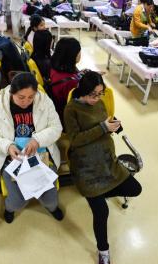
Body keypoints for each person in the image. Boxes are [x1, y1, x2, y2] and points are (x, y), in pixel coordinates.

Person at [64, 71, 142, 264]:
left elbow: (105, 119)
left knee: (135, 189)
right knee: (102, 212)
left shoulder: (99, 103)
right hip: (86, 168)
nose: (97, 98)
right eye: (93, 94)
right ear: (83, 91)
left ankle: (98, 194)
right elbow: (74, 141)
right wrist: (102, 128)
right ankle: (103, 251)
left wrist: (114, 124)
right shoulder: (71, 109)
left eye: (100, 93)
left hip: (107, 162)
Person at [0, 72, 63, 223]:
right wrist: (7, 146)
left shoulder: (44, 101)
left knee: (50, 199)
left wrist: (37, 140)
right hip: (12, 159)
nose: (26, 102)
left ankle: (52, 208)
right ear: (12, 93)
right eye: (21, 97)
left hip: (40, 156)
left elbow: (56, 128)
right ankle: (9, 209)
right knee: (17, 201)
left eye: (30, 97)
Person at [50, 37, 84, 123]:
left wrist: (84, 73)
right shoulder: (71, 83)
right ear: (72, 55)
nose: (80, 54)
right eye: (79, 52)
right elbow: (79, 105)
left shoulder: (55, 67)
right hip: (68, 116)